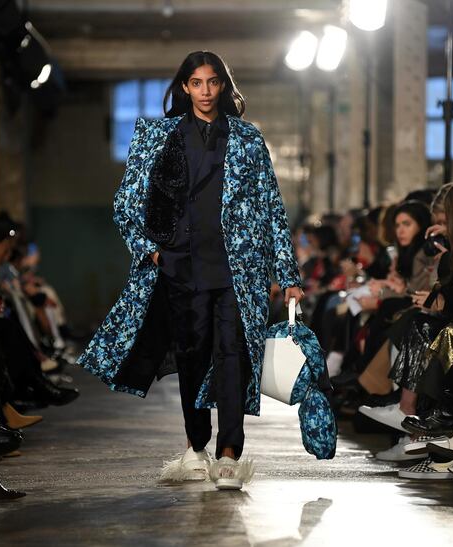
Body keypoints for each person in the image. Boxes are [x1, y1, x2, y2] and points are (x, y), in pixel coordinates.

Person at [78, 51, 302, 491]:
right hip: (181, 266)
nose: (205, 91)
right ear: (184, 87)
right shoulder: (157, 136)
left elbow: (271, 206)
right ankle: (196, 445)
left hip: (239, 268)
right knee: (193, 357)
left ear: (223, 86)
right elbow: (126, 203)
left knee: (233, 355)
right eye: (196, 83)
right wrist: (153, 252)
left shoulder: (247, 138)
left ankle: (229, 454)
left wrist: (287, 273)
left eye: (213, 82)